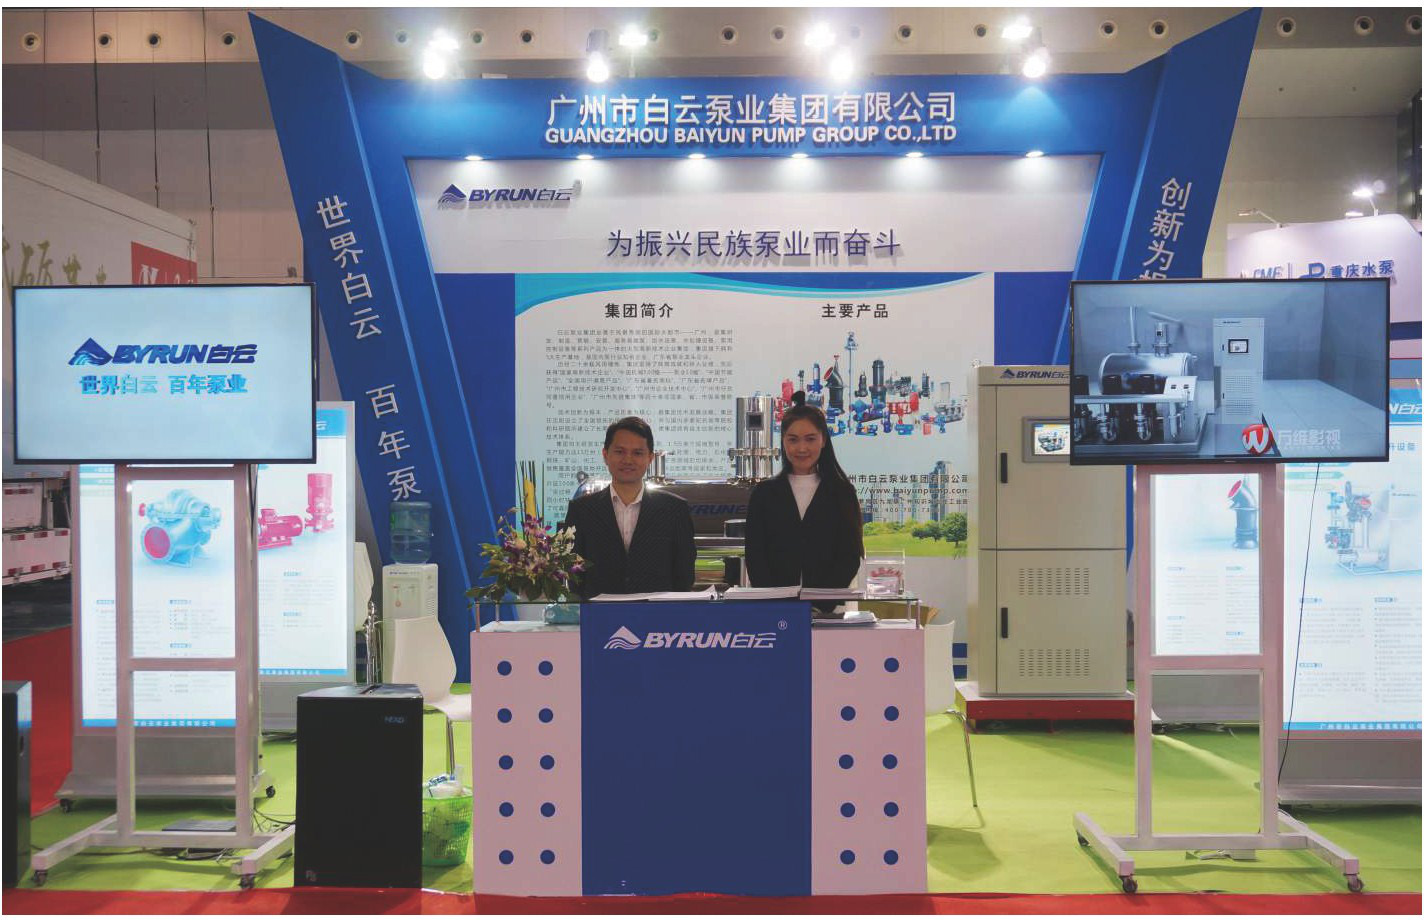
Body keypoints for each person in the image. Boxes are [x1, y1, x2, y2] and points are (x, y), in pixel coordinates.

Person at [564, 416, 696, 599]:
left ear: (650, 458)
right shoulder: (581, 510)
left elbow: (684, 574)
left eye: (637, 453)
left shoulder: (674, 509)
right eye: (619, 452)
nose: (628, 460)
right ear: (605, 455)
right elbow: (574, 574)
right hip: (599, 613)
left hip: (657, 613)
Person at [744, 392, 865, 589]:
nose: (801, 448)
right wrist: (773, 598)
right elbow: (755, 555)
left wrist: (821, 600)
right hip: (774, 602)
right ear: (783, 441)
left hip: (828, 603)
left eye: (810, 439)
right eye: (793, 440)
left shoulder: (842, 492)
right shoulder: (764, 494)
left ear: (823, 440)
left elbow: (849, 556)